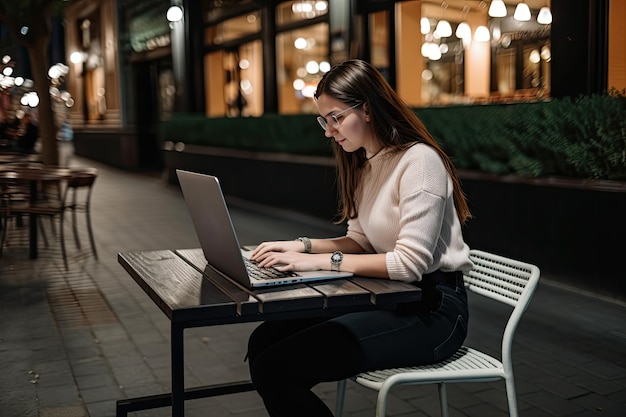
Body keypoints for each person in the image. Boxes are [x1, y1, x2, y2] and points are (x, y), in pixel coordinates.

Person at [245, 59, 473, 417]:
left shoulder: (420, 162)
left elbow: (409, 265)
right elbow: (360, 241)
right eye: (324, 120)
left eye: (335, 117)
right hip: (390, 298)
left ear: (366, 109)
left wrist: (315, 261)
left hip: (435, 311)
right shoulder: (368, 164)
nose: (328, 130)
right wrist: (299, 246)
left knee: (276, 367)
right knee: (263, 341)